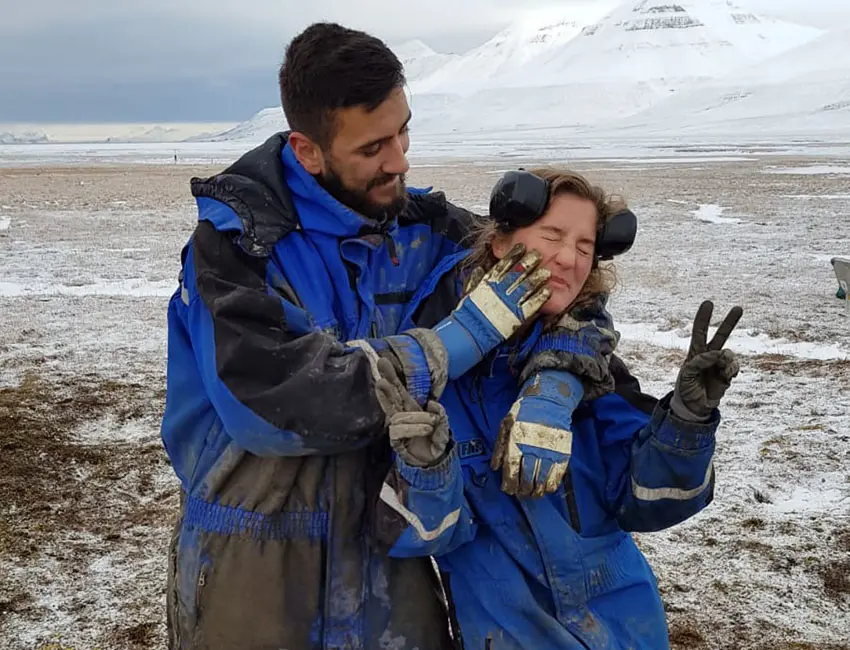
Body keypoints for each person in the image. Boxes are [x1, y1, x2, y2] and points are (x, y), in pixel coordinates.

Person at [159, 21, 554, 650]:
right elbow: (272, 408)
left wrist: (552, 390)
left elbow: (556, 281)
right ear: (308, 150)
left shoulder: (428, 231)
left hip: (390, 562)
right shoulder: (236, 250)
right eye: (373, 148)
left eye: (403, 133)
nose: (399, 161)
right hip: (253, 573)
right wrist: (452, 343)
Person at [372, 168, 744, 649]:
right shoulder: (440, 386)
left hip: (628, 632)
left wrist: (686, 424)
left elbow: (648, 500)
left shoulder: (597, 377)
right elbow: (421, 537)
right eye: (552, 235)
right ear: (502, 243)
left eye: (585, 247)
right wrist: (426, 467)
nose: (568, 258)